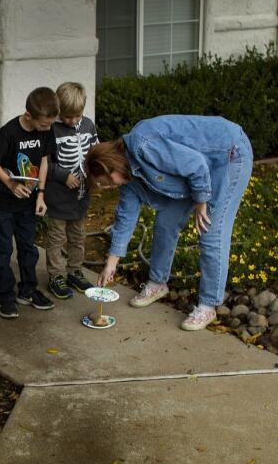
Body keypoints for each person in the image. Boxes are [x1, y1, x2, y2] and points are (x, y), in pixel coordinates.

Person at [86, 115, 253, 330]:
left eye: (105, 182)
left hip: (227, 154)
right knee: (165, 222)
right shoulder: (129, 179)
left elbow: (196, 164)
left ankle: (208, 305)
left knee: (210, 231)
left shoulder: (142, 145)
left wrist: (202, 201)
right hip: (192, 174)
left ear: (110, 167)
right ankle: (157, 283)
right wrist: (111, 263)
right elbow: (125, 218)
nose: (108, 188)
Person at [0, 87, 57, 319]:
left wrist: (41, 194)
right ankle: (6, 297)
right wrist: (10, 184)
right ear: (28, 116)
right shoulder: (9, 133)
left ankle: (27, 290)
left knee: (28, 249)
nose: (48, 128)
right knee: (2, 252)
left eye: (50, 124)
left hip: (28, 203)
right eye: (44, 125)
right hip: (2, 204)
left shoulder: (46, 130)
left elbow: (44, 161)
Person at [43, 82, 99, 300]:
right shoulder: (50, 130)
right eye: (68, 117)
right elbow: (45, 162)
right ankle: (56, 275)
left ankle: (75, 270)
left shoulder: (88, 126)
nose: (73, 121)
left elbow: (94, 151)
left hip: (81, 196)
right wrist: (62, 175)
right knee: (56, 238)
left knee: (78, 236)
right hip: (58, 196)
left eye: (77, 116)